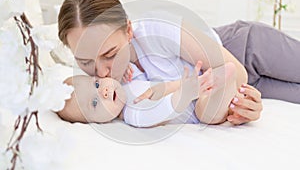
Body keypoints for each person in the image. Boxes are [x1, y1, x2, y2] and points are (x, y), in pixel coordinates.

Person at [57, 0, 270, 126]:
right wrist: (242, 106)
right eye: (85, 62)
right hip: (222, 83)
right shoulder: (125, 83)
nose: (102, 73)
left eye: (110, 54)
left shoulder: (157, 30)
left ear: (129, 30)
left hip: (244, 48)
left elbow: (239, 73)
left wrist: (241, 99)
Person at [58, 61, 237, 127]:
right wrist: (185, 94)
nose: (103, 91)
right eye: (95, 103)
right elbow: (166, 109)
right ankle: (226, 82)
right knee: (207, 108)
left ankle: (225, 81)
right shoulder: (134, 115)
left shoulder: (125, 86)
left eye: (97, 83)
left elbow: (141, 80)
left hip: (196, 90)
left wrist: (129, 68)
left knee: (216, 81)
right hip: (199, 112)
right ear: (95, 121)